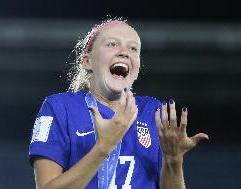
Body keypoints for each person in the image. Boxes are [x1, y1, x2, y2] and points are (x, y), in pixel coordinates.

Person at [29, 18, 209, 189]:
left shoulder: (153, 112)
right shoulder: (60, 108)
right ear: (87, 61)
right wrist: (104, 147)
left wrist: (173, 160)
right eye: (112, 44)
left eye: (133, 49)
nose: (124, 52)